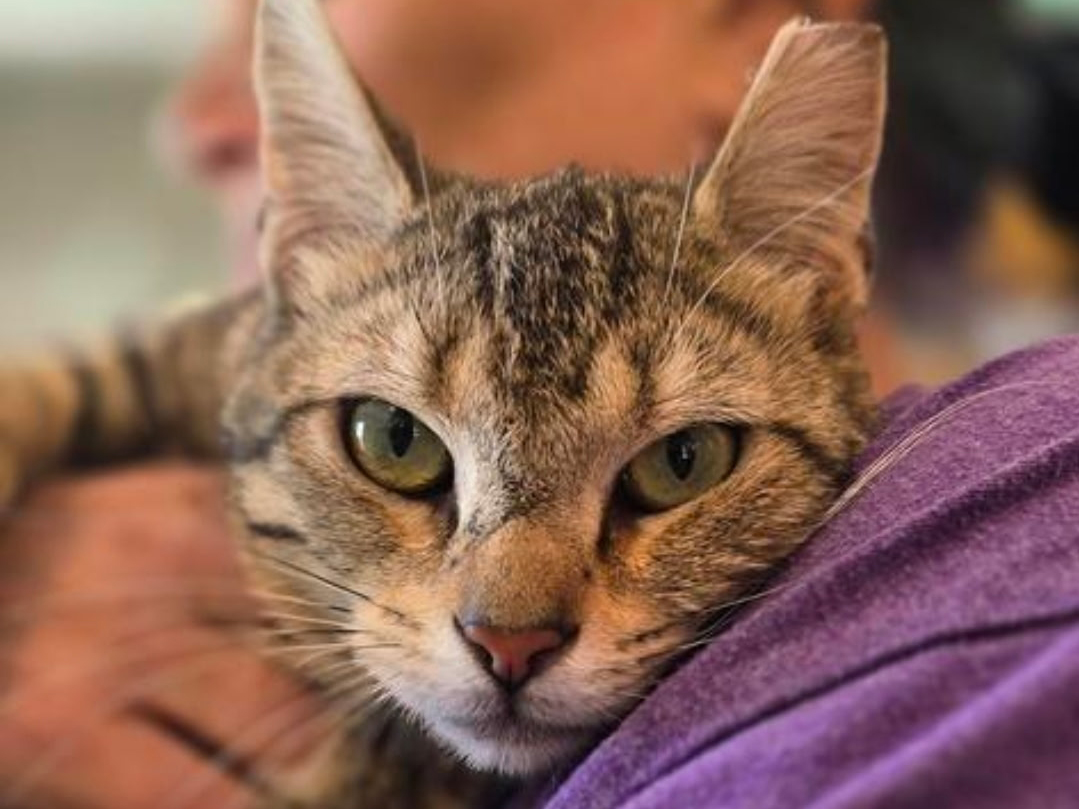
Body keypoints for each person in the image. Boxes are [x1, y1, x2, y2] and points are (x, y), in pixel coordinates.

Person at [12, 0, 1071, 805]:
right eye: (397, 442)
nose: (508, 625)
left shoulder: (1031, 483)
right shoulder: (266, 354)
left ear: (756, 28)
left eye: (677, 459)